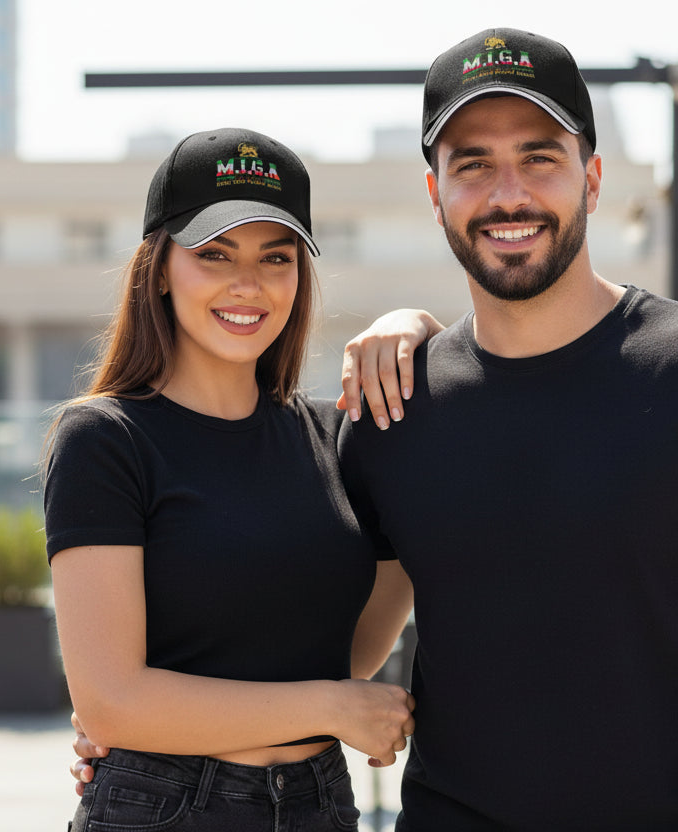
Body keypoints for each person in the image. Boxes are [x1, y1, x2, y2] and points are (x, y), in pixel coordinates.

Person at [75, 29, 678, 831]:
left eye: (539, 158)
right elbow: (334, 647)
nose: (507, 194)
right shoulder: (394, 408)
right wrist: (141, 732)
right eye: (472, 164)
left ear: (590, 176)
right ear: (435, 192)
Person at [44, 127, 428, 831]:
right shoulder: (106, 438)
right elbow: (110, 703)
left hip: (319, 803)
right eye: (213, 254)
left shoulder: (334, 436)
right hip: (166, 807)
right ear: (159, 268)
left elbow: (345, 648)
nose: (246, 284)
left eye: (274, 257)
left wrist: (416, 325)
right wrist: (332, 707)